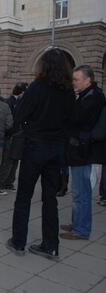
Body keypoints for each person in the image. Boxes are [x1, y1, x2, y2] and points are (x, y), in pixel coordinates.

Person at [7, 49, 75, 260]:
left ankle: (19, 242)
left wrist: (29, 127)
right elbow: (70, 121)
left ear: (43, 66)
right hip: (56, 150)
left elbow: (20, 114)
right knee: (50, 199)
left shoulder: (37, 87)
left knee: (24, 197)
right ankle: (51, 245)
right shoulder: (68, 91)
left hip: (35, 147)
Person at [61, 65, 106, 240]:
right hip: (80, 151)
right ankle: (77, 222)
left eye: (76, 79)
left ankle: (81, 230)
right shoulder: (88, 95)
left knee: (82, 193)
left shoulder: (93, 98)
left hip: (84, 153)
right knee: (78, 192)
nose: (73, 83)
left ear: (88, 80)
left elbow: (76, 120)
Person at [0, 82, 28, 194]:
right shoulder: (9, 102)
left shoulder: (21, 102)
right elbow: (10, 121)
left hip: (19, 135)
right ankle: (1, 183)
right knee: (8, 161)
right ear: (22, 92)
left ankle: (9, 182)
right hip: (11, 136)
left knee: (14, 161)